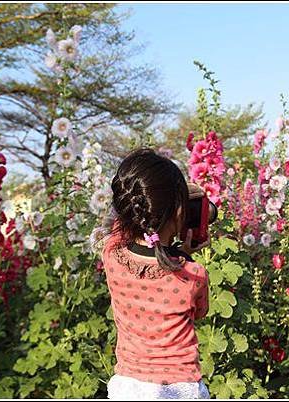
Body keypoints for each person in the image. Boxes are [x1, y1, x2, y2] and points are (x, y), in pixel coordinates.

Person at [101, 148, 211, 399]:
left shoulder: (111, 254)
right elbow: (201, 313)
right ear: (178, 212)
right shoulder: (193, 275)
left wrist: (172, 199)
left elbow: (123, 223)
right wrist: (184, 253)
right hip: (180, 389)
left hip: (128, 387)